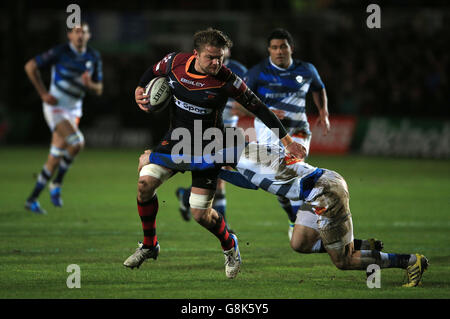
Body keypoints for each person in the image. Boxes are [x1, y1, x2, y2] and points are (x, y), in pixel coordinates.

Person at [123, 28, 306, 279]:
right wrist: (140, 88)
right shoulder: (174, 62)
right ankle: (149, 245)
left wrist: (287, 141)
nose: (216, 62)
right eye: (211, 57)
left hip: (209, 147)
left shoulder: (227, 79)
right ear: (195, 53)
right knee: (145, 184)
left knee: (200, 213)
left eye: (220, 57)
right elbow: (152, 72)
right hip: (177, 140)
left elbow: (259, 108)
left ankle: (229, 244)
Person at [139, 138, 428, 287]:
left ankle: (408, 261)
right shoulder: (246, 156)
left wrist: (153, 157)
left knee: (343, 261)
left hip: (324, 191)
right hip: (313, 190)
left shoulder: (238, 152)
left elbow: (195, 160)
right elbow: (239, 178)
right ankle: (361, 246)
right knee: (299, 243)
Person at [244, 28, 330, 241]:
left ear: (291, 48)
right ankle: (294, 217)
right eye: (274, 47)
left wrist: (323, 112)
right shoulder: (257, 72)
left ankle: (308, 224)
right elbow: (241, 103)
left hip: (298, 130)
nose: (279, 51)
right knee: (279, 178)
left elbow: (319, 89)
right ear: (269, 50)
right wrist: (267, 112)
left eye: (283, 46)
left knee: (293, 167)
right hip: (268, 131)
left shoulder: (307, 70)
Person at [24, 22, 103, 214]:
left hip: (74, 110)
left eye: (83, 32)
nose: (80, 36)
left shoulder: (93, 56)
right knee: (76, 143)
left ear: (89, 35)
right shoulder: (60, 52)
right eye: (76, 32)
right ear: (69, 36)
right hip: (55, 108)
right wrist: (43, 93)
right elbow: (30, 66)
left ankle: (32, 199)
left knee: (54, 158)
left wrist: (90, 84)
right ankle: (57, 184)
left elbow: (99, 89)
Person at [175, 47, 248, 231]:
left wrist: (242, 107)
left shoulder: (239, 71)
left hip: (229, 129)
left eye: (223, 49)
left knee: (219, 172)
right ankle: (223, 221)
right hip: (207, 129)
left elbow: (244, 103)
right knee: (216, 172)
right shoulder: (200, 70)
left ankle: (186, 196)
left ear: (228, 50)